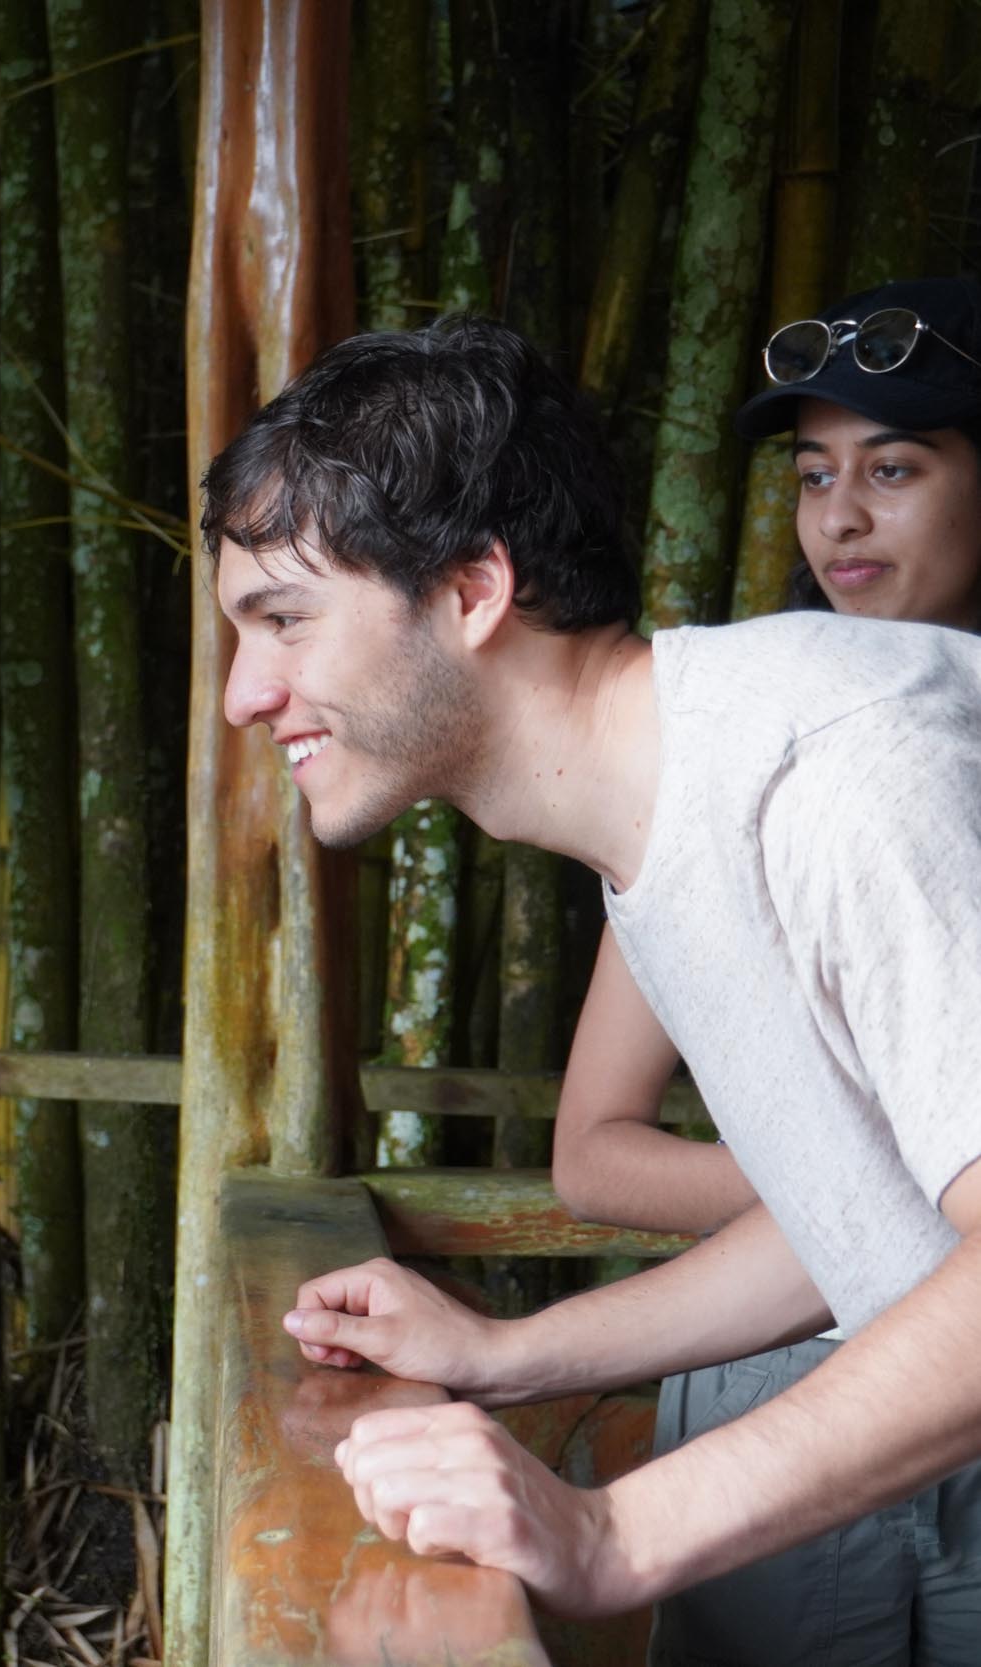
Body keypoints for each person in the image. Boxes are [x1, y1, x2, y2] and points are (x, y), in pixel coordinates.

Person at [202, 306, 981, 1639]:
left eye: (284, 620)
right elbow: (865, 1219)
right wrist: (505, 1355)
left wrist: (618, 1529)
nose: (243, 695)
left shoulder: (844, 776)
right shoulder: (668, 812)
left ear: (470, 592)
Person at [545, 277, 981, 1663]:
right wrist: (871, 1184)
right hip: (780, 1375)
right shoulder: (738, 763)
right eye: (813, 474)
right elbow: (594, 1151)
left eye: (894, 468)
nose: (839, 516)